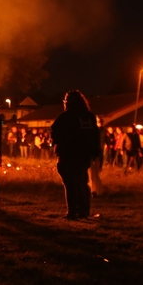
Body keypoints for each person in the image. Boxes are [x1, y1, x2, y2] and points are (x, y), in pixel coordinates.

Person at [51, 90, 100, 220]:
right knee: (82, 183)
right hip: (84, 156)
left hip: (68, 155)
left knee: (70, 184)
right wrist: (95, 152)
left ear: (67, 102)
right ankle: (84, 211)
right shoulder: (89, 116)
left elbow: (55, 134)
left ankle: (72, 212)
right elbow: (95, 135)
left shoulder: (65, 117)